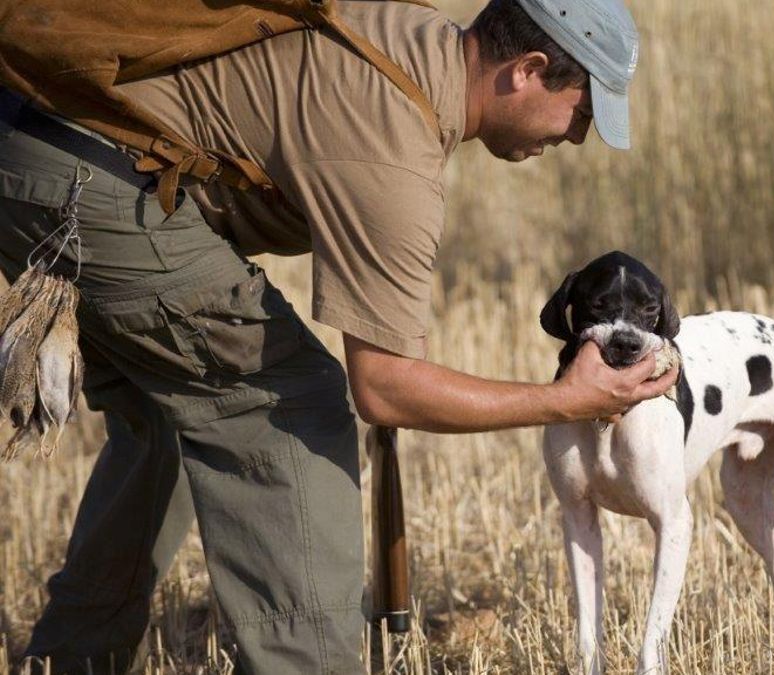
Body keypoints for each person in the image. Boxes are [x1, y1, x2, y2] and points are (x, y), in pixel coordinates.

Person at [0, 0, 676, 671]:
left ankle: (73, 659)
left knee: (172, 406)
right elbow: (385, 388)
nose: (577, 137)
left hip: (36, 136)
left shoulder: (412, 36)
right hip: (89, 171)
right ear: (527, 70)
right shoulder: (395, 149)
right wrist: (566, 400)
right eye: (582, 112)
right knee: (284, 403)